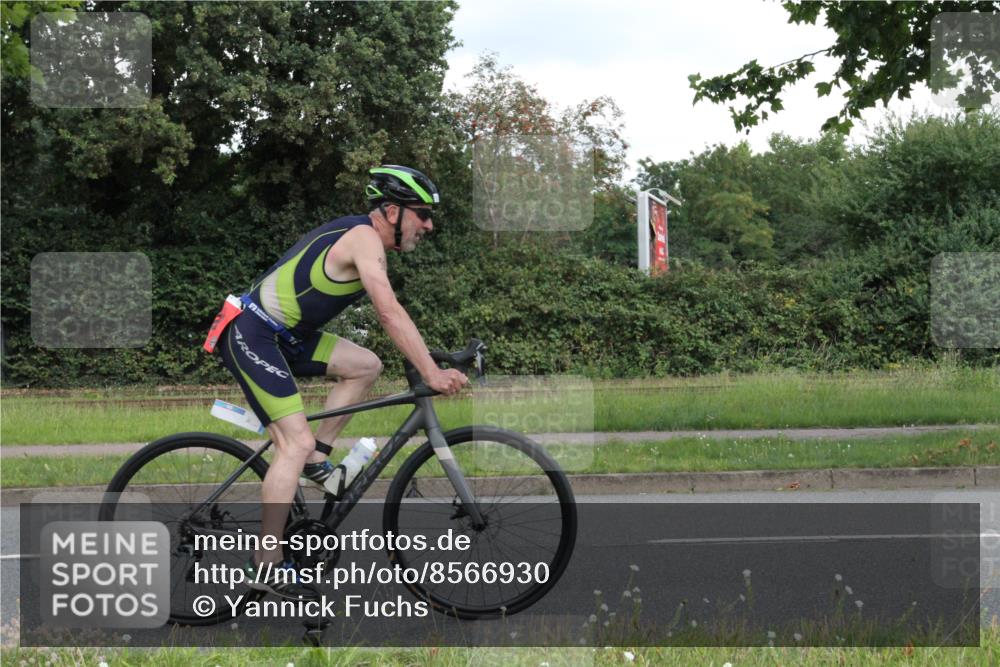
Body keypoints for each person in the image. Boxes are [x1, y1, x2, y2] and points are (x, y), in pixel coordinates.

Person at [213, 165, 467, 599]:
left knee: (365, 365)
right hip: (252, 332)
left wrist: (432, 358)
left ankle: (318, 459)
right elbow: (388, 312)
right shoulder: (364, 239)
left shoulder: (368, 240)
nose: (429, 224)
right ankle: (268, 565)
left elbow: (392, 317)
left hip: (287, 337)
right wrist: (429, 371)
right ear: (391, 211)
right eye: (421, 213)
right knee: (291, 443)